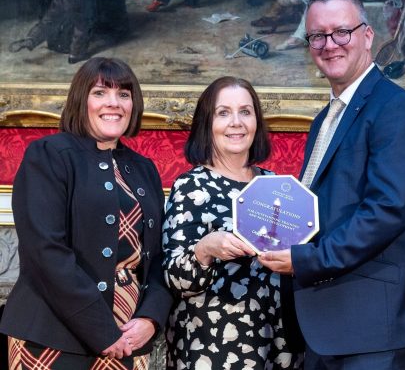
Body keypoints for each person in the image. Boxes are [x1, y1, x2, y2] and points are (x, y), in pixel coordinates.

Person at [259, 0, 405, 369]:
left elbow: (387, 211)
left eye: (342, 32)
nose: (330, 44)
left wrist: (306, 259)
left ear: (368, 35)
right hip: (328, 323)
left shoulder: (396, 108)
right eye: (318, 36)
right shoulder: (326, 118)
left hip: (373, 327)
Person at [0, 57, 173, 368]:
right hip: (53, 337)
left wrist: (151, 317)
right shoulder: (49, 155)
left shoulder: (145, 169)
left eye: (124, 94)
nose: (114, 103)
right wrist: (103, 331)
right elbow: (45, 252)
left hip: (129, 336)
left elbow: (159, 257)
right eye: (100, 93)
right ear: (81, 100)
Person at [162, 76, 304, 369]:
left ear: (257, 122)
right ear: (207, 123)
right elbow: (175, 279)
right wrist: (205, 249)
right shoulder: (191, 186)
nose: (236, 122)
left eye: (245, 111)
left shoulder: (277, 186)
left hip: (280, 340)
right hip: (214, 344)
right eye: (223, 112)